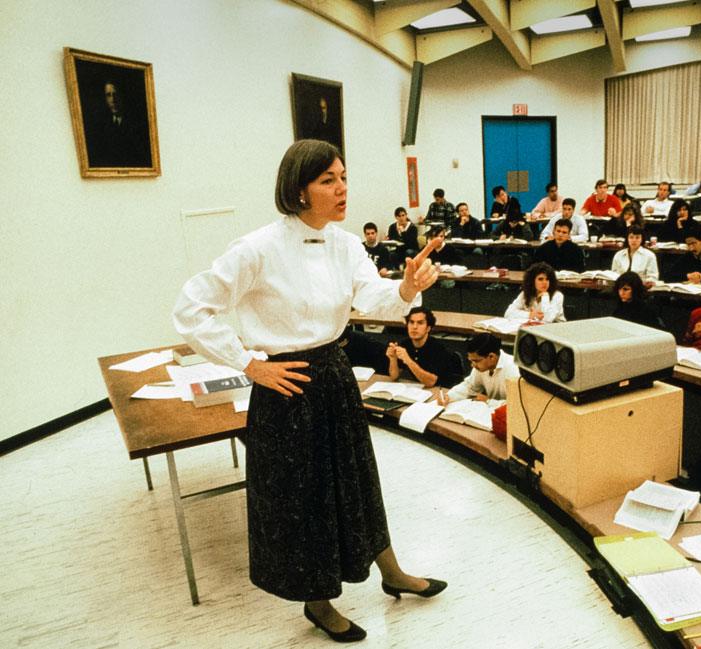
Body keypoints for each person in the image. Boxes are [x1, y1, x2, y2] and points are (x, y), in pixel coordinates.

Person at [172, 139, 445, 642]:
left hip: (334, 376)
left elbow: (375, 299)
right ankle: (318, 603)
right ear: (299, 191)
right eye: (328, 181)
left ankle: (391, 572)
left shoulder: (344, 244)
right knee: (306, 500)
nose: (342, 189)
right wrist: (249, 363)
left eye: (343, 177)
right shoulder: (257, 248)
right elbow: (191, 309)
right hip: (287, 385)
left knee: (358, 480)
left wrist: (407, 288)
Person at [440, 333, 520, 407]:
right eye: (471, 361)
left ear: (491, 357)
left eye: (476, 361)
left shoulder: (514, 371)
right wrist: (449, 396)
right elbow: (470, 386)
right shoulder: (481, 366)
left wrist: (489, 401)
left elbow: (518, 405)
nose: (472, 365)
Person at [386, 307, 455, 388]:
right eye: (411, 322)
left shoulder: (438, 348)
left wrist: (408, 360)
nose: (414, 327)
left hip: (441, 390)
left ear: (428, 328)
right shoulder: (405, 344)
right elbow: (394, 377)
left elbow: (431, 382)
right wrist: (393, 359)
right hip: (420, 389)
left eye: (420, 323)